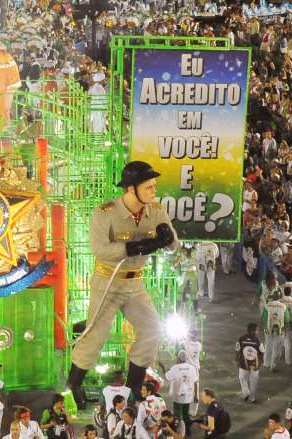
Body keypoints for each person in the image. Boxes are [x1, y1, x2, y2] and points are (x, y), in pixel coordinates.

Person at [67, 161, 179, 406]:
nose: (153, 191)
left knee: (152, 329)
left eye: (154, 186)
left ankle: (133, 388)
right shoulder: (105, 213)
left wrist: (168, 240)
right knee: (96, 335)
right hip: (108, 282)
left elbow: (173, 247)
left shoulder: (157, 211)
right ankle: (72, 386)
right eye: (148, 187)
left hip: (135, 285)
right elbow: (100, 250)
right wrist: (135, 246)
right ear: (130, 189)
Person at [164, 351, 199, 436]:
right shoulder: (192, 368)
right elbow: (195, 381)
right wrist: (195, 395)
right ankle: (187, 432)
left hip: (178, 397)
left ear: (178, 358)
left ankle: (177, 433)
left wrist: (165, 369)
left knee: (177, 416)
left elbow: (167, 377)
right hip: (188, 397)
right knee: (186, 414)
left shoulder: (175, 368)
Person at [262, 293, 292, 371]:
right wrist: (285, 328)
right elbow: (287, 320)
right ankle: (272, 365)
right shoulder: (284, 307)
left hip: (268, 330)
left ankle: (266, 363)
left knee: (268, 345)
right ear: (280, 298)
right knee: (276, 348)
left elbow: (264, 318)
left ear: (272, 297)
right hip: (279, 331)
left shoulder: (267, 306)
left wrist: (264, 327)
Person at [236, 323, 263, 403]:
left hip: (244, 364)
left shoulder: (241, 339)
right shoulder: (257, 341)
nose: (258, 332)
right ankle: (251, 397)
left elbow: (237, 350)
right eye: (257, 330)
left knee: (242, 378)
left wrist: (238, 360)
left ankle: (247, 394)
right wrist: (259, 364)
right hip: (254, 365)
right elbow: (262, 352)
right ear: (252, 331)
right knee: (253, 382)